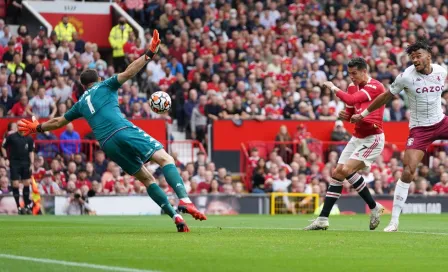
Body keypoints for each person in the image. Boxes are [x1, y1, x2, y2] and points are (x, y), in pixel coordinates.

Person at [18, 30, 206, 232]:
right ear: (98, 79)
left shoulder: (80, 103)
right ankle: (184, 200)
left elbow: (57, 122)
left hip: (108, 145)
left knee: (147, 179)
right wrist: (149, 54)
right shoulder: (105, 86)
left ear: (83, 86)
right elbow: (129, 72)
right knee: (166, 159)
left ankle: (176, 216)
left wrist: (37, 127)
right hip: (121, 129)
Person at [351, 40, 448, 232]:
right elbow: (386, 96)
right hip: (420, 129)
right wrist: (362, 115)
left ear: (428, 55)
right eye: (412, 57)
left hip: (441, 121)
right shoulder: (406, 77)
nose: (415, 60)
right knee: (407, 171)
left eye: (418, 56)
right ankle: (394, 221)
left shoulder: (441, 71)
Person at [304, 58, 385, 231]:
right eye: (350, 74)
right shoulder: (351, 86)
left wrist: (333, 87)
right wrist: (346, 116)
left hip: (373, 138)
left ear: (365, 71)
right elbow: (350, 109)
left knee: (346, 171)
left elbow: (351, 98)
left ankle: (373, 208)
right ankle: (323, 219)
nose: (352, 77)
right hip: (357, 137)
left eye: (355, 73)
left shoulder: (375, 86)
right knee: (338, 173)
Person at [1, 124, 34, 214]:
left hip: (26, 162)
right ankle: (18, 207)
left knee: (27, 183)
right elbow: (3, 146)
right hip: (14, 162)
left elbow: (31, 151)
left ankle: (27, 206)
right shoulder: (11, 137)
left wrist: (32, 163)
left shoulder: (29, 138)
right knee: (15, 184)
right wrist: (5, 158)